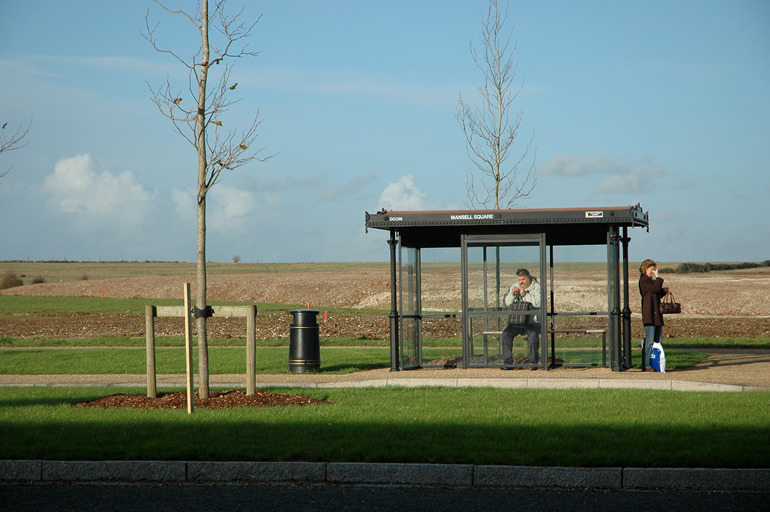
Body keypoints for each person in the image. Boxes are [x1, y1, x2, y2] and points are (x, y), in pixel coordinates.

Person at [501, 268, 541, 370]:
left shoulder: (537, 287)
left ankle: (533, 363)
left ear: (529, 277)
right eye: (519, 279)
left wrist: (525, 295)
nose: (521, 282)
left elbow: (538, 303)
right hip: (516, 321)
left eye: (523, 279)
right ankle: (508, 363)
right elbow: (506, 303)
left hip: (532, 322)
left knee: (533, 334)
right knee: (506, 333)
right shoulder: (515, 286)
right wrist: (512, 294)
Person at [638, 259, 669, 371]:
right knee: (649, 341)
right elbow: (655, 289)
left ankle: (656, 363)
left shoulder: (650, 282)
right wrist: (658, 277)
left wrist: (663, 291)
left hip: (655, 316)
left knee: (657, 341)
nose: (653, 272)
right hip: (650, 316)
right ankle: (646, 365)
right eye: (652, 269)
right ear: (646, 269)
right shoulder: (644, 281)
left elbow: (655, 293)